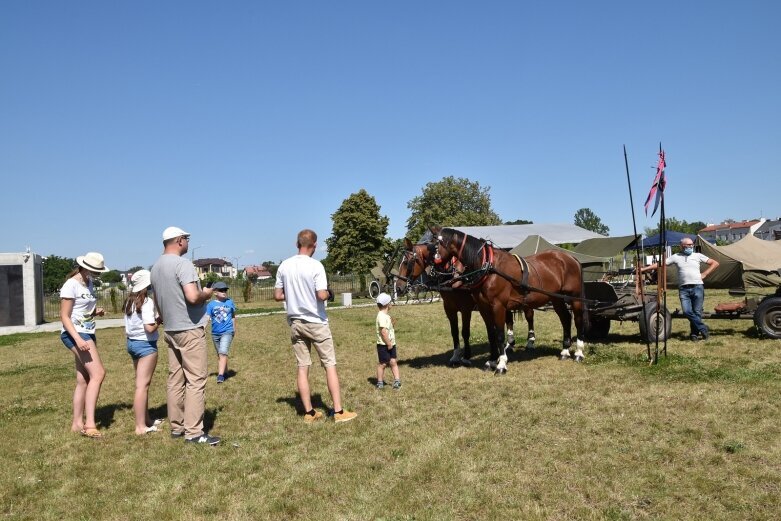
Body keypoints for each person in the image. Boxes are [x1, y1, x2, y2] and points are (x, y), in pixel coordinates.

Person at [274, 229, 357, 423]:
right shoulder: (316, 266)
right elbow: (321, 295)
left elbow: (278, 295)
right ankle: (338, 411)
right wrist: (329, 293)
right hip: (316, 322)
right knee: (329, 365)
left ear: (297, 244)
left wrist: (295, 295)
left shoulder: (284, 266)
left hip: (295, 323)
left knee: (303, 367)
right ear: (315, 245)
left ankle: (309, 413)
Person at [151, 226, 220, 445]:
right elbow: (192, 297)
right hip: (189, 329)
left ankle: (177, 426)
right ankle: (194, 432)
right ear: (180, 240)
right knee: (196, 380)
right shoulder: (183, 264)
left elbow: (158, 303)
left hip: (170, 329)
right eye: (187, 239)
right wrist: (206, 294)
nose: (188, 243)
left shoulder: (155, 267)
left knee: (175, 379)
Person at [59, 252, 109, 438]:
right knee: (98, 373)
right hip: (75, 334)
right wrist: (78, 340)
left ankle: (77, 423)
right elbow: (64, 316)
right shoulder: (71, 284)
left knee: (83, 380)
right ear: (85, 267)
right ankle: (89, 425)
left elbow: (81, 311)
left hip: (87, 332)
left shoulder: (87, 283)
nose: (98, 274)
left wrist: (95, 312)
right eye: (95, 270)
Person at [642, 238, 720, 341]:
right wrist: (644, 269)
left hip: (698, 287)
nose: (691, 247)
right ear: (682, 246)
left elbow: (715, 263)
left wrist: (705, 274)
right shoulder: (676, 257)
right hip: (684, 289)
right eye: (688, 245)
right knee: (687, 311)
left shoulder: (698, 256)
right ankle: (703, 328)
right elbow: (661, 264)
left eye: (692, 245)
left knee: (697, 312)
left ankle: (694, 334)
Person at [123, 270, 164, 435]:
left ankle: (146, 419)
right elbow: (149, 327)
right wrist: (159, 321)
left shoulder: (129, 302)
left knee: (141, 384)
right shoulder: (146, 302)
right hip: (146, 345)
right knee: (142, 386)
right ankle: (140, 426)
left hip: (132, 344)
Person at [206, 281, 236, 383]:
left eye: (225, 290)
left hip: (227, 331)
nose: (224, 292)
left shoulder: (230, 302)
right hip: (215, 333)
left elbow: (233, 316)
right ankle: (226, 371)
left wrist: (234, 328)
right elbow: (207, 317)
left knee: (223, 352)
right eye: (221, 290)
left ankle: (220, 376)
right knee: (220, 354)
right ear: (215, 292)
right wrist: (202, 328)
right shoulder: (211, 305)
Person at [375, 293, 401, 390]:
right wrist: (389, 343)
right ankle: (380, 382)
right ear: (387, 304)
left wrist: (392, 324)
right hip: (384, 345)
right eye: (390, 302)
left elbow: (387, 329)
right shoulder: (381, 316)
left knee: (393, 361)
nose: (392, 304)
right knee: (383, 364)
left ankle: (397, 380)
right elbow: (383, 332)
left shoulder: (385, 316)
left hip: (391, 344)